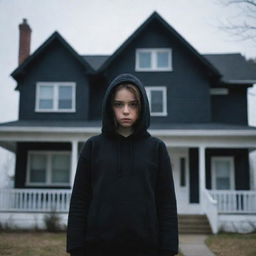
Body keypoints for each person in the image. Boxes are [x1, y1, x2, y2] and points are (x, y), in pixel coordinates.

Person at [66, 73, 179, 256]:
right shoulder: (93, 147)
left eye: (133, 104)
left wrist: (168, 248)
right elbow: (80, 199)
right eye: (119, 104)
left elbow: (166, 203)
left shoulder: (156, 148)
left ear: (142, 107)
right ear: (110, 107)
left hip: (147, 248)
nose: (126, 111)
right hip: (97, 248)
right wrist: (76, 247)